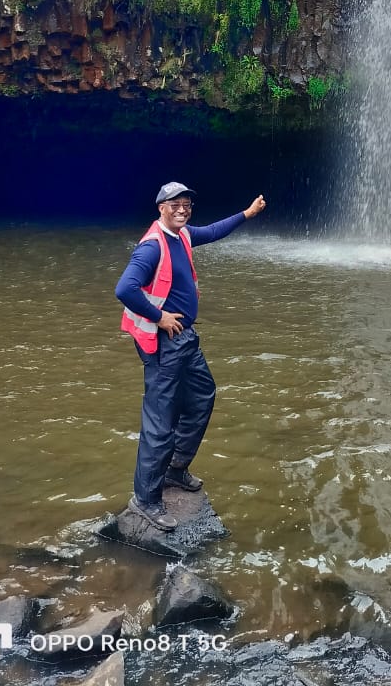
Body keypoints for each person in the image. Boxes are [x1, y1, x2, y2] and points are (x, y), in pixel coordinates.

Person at [115, 180, 266, 532]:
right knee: (160, 419)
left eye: (186, 204)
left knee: (202, 396)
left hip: (185, 338)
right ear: (160, 208)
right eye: (174, 204)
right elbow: (124, 288)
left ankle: (175, 469)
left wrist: (248, 213)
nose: (182, 209)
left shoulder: (181, 236)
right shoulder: (152, 247)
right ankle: (146, 500)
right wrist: (160, 316)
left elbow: (212, 231)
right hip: (163, 342)